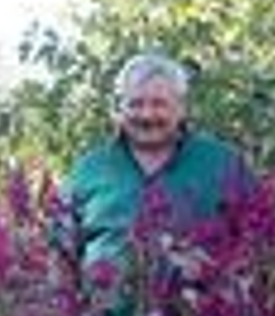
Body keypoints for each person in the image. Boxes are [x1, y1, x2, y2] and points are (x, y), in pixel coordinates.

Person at [65, 50, 256, 268]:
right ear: (119, 108)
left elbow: (260, 244)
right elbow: (57, 252)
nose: (147, 115)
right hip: (103, 302)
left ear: (181, 108)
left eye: (159, 104)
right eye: (135, 104)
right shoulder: (89, 170)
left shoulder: (224, 163)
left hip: (202, 301)